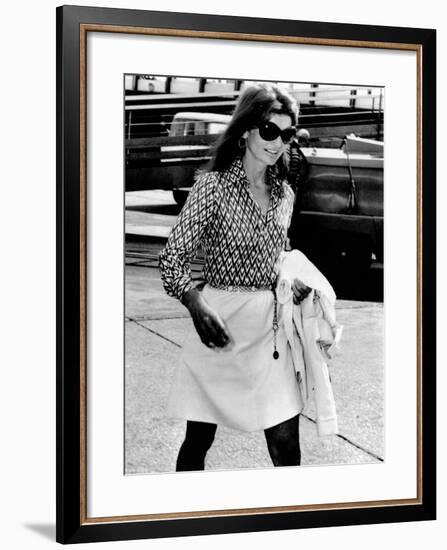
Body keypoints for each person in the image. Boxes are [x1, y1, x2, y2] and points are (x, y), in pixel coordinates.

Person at [159, 83, 311, 471]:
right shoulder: (212, 188)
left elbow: (276, 256)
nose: (278, 143)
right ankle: (180, 517)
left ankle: (292, 523)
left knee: (285, 445)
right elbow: (172, 258)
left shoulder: (285, 195)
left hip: (269, 330)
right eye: (270, 131)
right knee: (198, 440)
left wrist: (289, 281)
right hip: (218, 322)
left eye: (287, 133)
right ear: (246, 131)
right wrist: (195, 303)